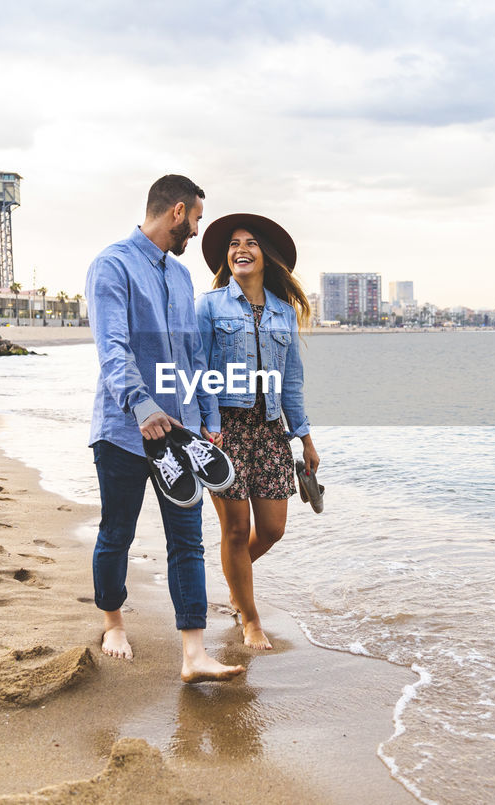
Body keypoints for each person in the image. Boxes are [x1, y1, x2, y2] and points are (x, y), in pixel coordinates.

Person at [85, 174, 244, 684]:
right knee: (117, 533)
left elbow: (194, 357)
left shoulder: (180, 277)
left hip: (183, 438)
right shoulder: (112, 265)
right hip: (125, 433)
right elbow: (113, 348)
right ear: (177, 212)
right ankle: (113, 623)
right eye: (196, 219)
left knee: (187, 541)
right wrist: (142, 405)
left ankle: (193, 654)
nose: (197, 232)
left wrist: (209, 422)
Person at [196, 213, 318, 650]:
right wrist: (209, 428)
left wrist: (304, 438)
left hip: (270, 431)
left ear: (266, 255)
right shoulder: (208, 306)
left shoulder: (284, 312)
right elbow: (201, 369)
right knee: (234, 530)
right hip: (224, 429)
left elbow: (292, 381)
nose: (240, 250)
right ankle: (250, 618)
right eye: (233, 244)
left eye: (250, 243)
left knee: (272, 528)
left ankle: (234, 577)